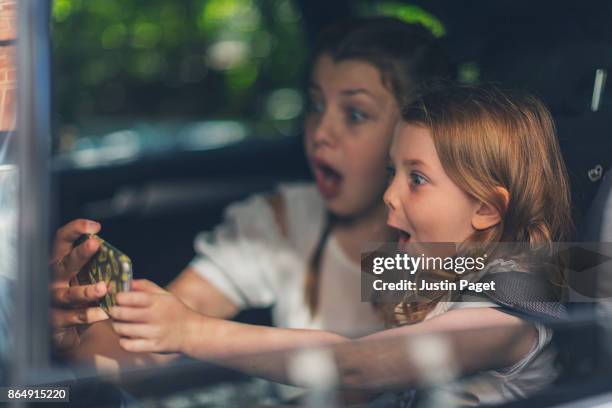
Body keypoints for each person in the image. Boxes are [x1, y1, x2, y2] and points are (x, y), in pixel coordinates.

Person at [105, 84, 573, 406]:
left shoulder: (504, 318)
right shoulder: (442, 278)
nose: (389, 194)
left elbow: (354, 366)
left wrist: (192, 331)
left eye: (417, 179)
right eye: (393, 173)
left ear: (487, 209)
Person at [51, 18, 448, 368]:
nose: (320, 132)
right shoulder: (281, 220)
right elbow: (153, 345)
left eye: (355, 114)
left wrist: (192, 332)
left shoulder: (469, 243)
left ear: (417, 133)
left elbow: (362, 367)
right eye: (314, 105)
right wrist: (71, 335)